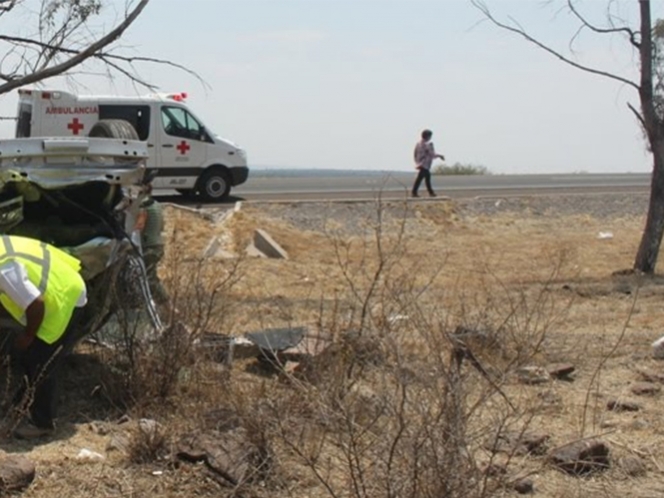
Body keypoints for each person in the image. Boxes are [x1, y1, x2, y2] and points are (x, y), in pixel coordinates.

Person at [1, 235, 87, 439]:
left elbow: (35, 304)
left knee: (40, 361)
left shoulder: (4, 270)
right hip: (61, 281)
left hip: (64, 298)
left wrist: (29, 335)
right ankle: (20, 405)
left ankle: (42, 422)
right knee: (29, 357)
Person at [412, 129, 445, 198]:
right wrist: (440, 156)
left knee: (424, 178)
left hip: (420, 163)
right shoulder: (428, 144)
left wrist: (417, 161)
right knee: (423, 178)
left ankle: (427, 192)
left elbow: (415, 153)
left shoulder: (418, 144)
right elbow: (432, 154)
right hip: (425, 164)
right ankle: (427, 192)